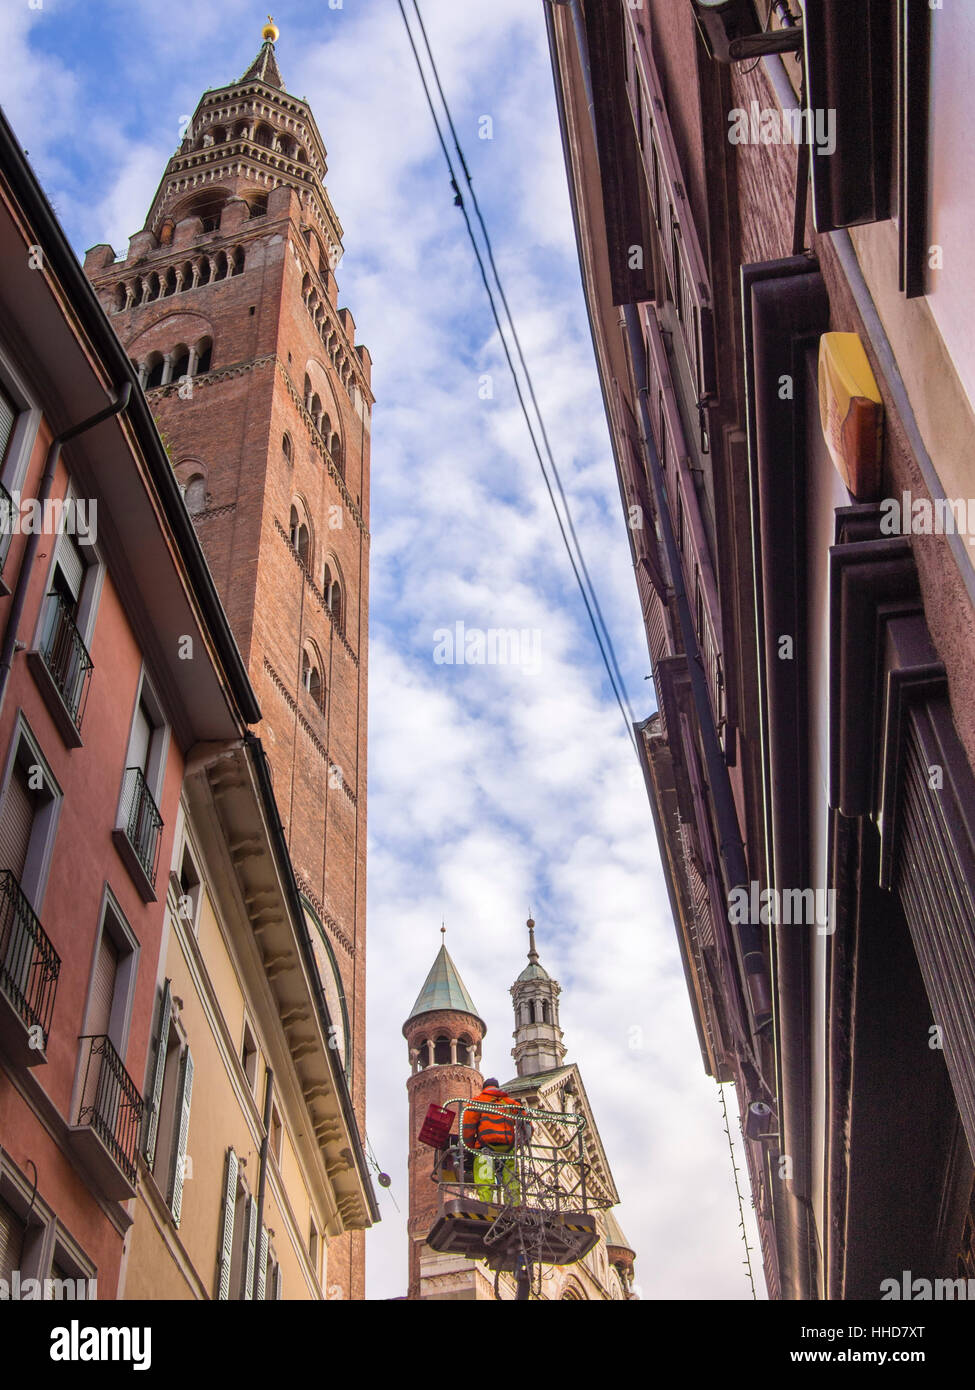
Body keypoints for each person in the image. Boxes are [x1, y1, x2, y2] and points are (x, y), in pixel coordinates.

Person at [462, 1077, 529, 1204]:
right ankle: (514, 1208)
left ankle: (486, 1205)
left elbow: (468, 1129)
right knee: (512, 1182)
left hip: (485, 1150)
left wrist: (469, 1148)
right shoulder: (511, 1103)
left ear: (484, 1088)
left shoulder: (477, 1102)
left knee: (485, 1181)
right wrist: (521, 1142)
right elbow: (527, 1125)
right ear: (498, 1088)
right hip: (508, 1151)